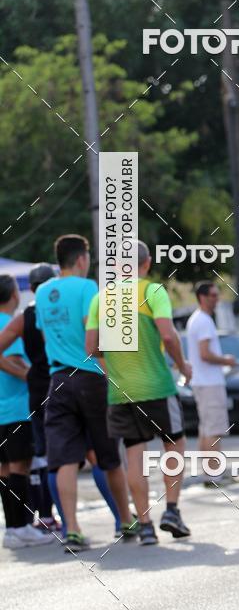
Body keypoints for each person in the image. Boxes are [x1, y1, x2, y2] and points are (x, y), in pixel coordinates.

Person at [85, 241, 192, 545]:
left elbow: (90, 347)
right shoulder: (152, 291)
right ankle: (171, 510)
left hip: (121, 392)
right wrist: (183, 366)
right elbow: (169, 335)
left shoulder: (101, 298)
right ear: (146, 264)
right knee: (174, 444)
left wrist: (115, 366)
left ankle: (145, 525)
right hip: (158, 385)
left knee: (135, 455)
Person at [35, 234, 136, 551]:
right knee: (108, 457)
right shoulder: (88, 288)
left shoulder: (41, 292)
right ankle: (124, 520)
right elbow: (96, 337)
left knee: (64, 458)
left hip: (58, 381)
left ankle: (72, 529)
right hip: (90, 379)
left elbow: (46, 334)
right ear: (81, 259)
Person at [0, 275, 53, 549]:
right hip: (16, 407)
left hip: (2, 410)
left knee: (5, 470)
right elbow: (12, 360)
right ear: (13, 295)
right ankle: (21, 526)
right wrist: (31, 376)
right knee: (20, 466)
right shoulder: (10, 324)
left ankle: (12, 528)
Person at [187, 282, 237, 488]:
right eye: (213, 295)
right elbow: (205, 353)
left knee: (206, 430)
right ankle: (214, 476)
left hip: (201, 382)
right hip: (209, 383)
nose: (217, 299)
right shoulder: (204, 321)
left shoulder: (196, 319)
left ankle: (211, 474)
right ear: (202, 297)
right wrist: (227, 360)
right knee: (214, 430)